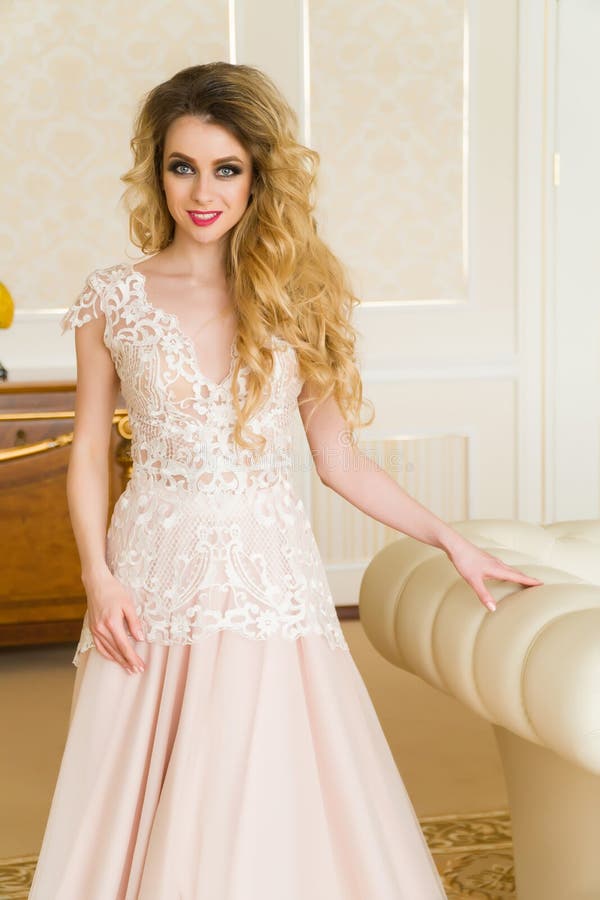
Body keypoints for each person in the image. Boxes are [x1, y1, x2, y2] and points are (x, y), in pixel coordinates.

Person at [29, 61, 542, 899]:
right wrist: (97, 577)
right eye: (182, 165)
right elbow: (88, 451)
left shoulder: (298, 297)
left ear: (259, 174)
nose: (203, 191)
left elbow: (337, 461)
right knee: (139, 774)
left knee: (255, 776)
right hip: (151, 569)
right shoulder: (111, 299)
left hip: (267, 576)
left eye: (226, 168)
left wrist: (452, 539)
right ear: (155, 171)